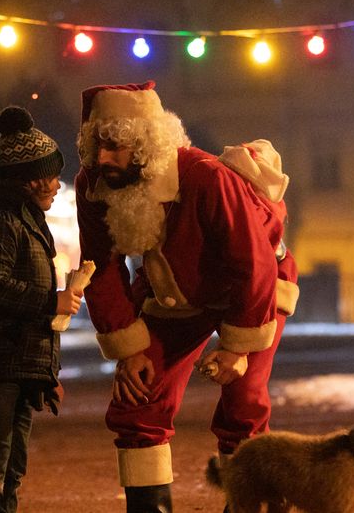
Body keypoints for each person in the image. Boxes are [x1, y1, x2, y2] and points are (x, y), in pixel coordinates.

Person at [74, 81, 299, 512]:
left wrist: (237, 347)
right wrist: (129, 349)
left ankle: (249, 503)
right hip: (171, 290)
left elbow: (254, 264)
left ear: (145, 144)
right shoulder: (94, 185)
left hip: (251, 290)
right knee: (137, 400)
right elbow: (101, 267)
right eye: (96, 145)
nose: (103, 159)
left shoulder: (206, 177)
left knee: (243, 400)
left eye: (115, 146)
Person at [0, 106, 83, 513]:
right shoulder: (0, 223)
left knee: (12, 468)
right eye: (51, 175)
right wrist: (53, 300)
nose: (57, 185)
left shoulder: (25, 221)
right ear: (29, 180)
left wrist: (47, 374)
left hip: (17, 365)